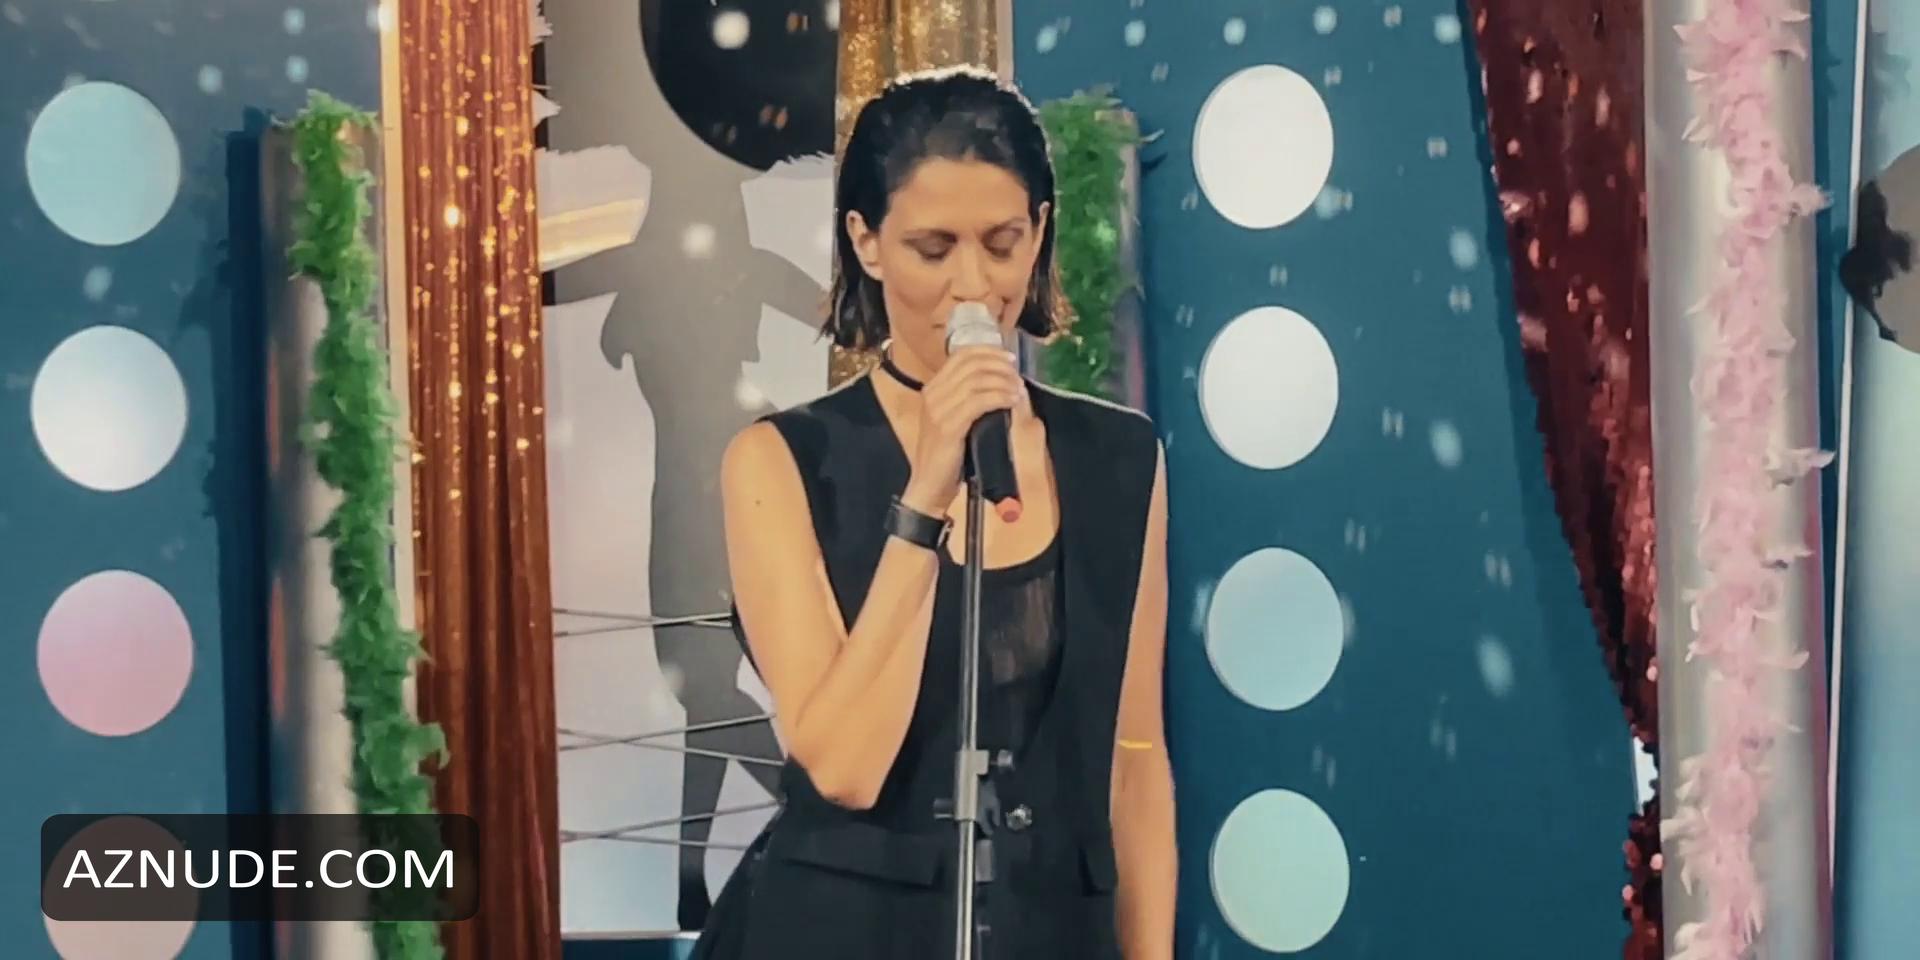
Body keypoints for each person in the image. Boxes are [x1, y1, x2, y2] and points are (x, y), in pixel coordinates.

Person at [692, 66, 1176, 960]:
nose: (974, 285)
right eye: (933, 248)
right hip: (841, 934)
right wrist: (926, 491)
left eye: (1002, 242)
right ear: (867, 242)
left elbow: (1134, 756)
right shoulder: (783, 461)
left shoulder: (1119, 458)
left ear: (1040, 232)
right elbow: (844, 765)